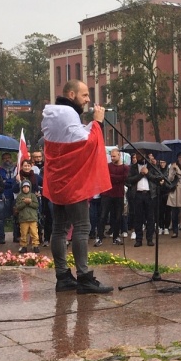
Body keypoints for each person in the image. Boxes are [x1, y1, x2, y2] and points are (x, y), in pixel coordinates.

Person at [40, 79, 113, 294]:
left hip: (57, 181)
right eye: (85, 95)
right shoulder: (68, 114)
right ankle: (83, 277)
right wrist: (98, 123)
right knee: (82, 227)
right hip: (73, 182)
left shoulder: (52, 113)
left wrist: (89, 126)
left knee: (59, 229)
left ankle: (62, 276)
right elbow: (87, 143)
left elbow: (73, 138)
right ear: (71, 94)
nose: (88, 99)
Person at [99, 149, 127, 245]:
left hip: (119, 194)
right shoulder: (107, 166)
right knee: (103, 216)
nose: (112, 158)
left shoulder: (125, 167)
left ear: (119, 156)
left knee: (118, 217)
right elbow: (106, 177)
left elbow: (124, 178)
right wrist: (117, 177)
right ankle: (99, 237)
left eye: (114, 156)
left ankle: (116, 237)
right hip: (107, 194)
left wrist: (113, 177)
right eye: (111, 156)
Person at [15, 180, 40, 254]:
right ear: (22, 188)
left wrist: (30, 202)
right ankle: (23, 246)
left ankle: (35, 245)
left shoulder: (33, 195)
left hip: (33, 218)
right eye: (24, 187)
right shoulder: (19, 196)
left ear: (30, 188)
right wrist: (24, 203)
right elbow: (18, 207)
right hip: (23, 219)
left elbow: (36, 205)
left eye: (27, 187)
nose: (25, 188)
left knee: (34, 233)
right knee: (23, 233)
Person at [166, 153, 181, 238]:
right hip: (175, 190)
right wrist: (174, 171)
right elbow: (169, 179)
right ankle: (175, 231)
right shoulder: (173, 166)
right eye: (179, 157)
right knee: (174, 212)